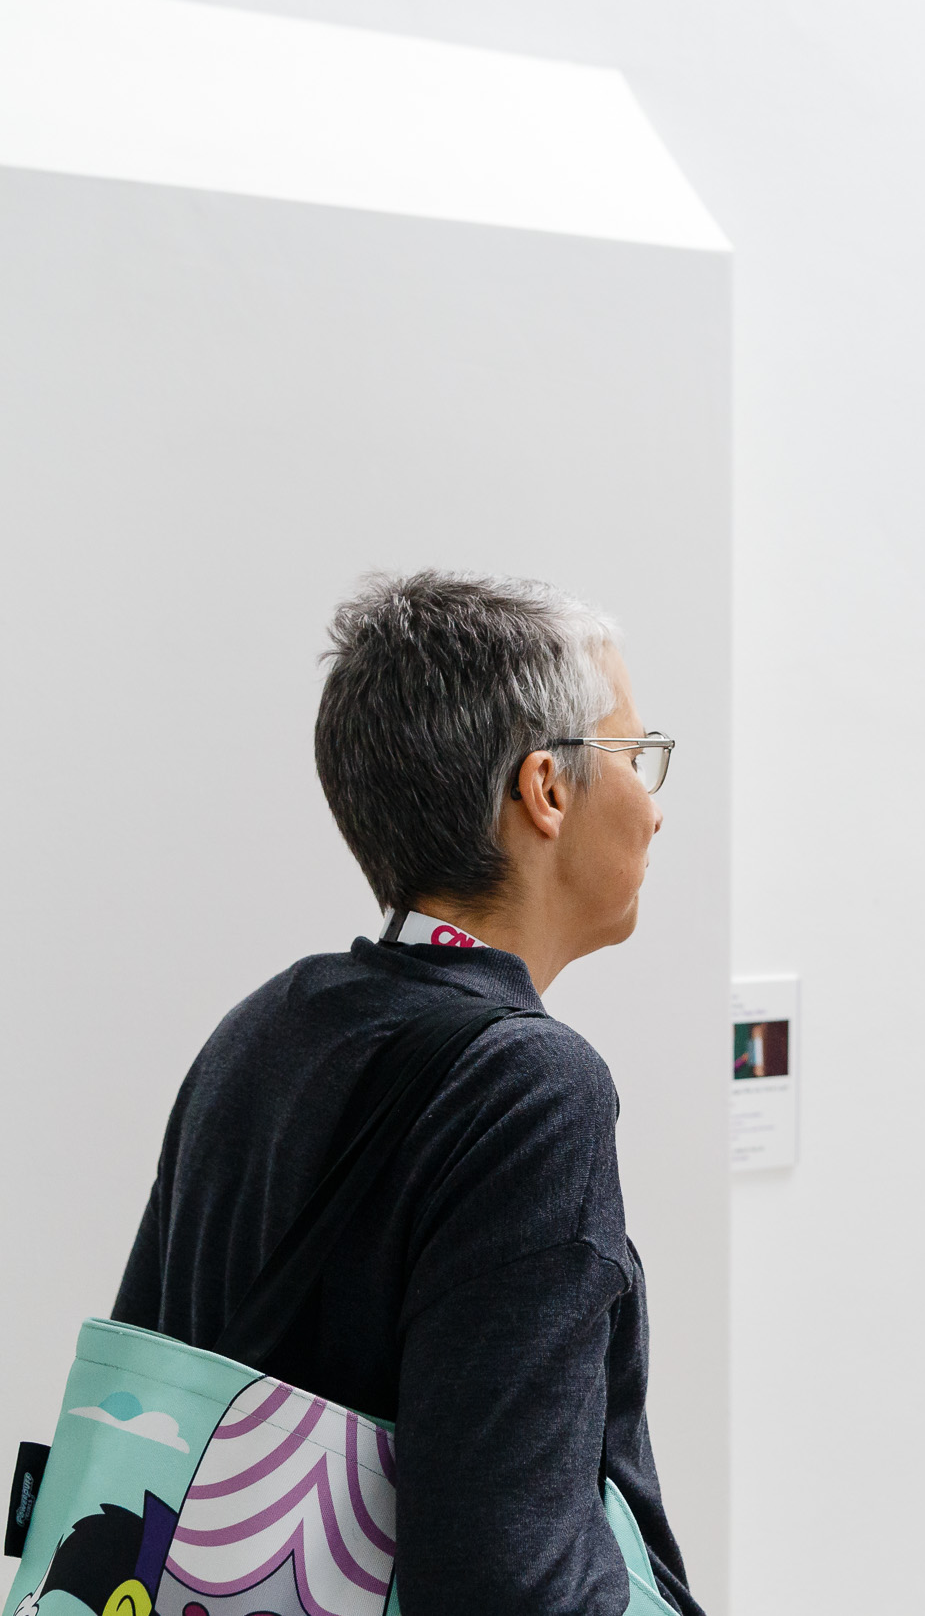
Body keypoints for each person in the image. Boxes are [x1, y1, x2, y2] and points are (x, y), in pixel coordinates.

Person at [112, 570, 699, 1616]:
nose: (653, 809)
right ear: (547, 789)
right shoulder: (531, 1088)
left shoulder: (264, 1026)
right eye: (633, 755)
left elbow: (144, 1394)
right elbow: (507, 1583)